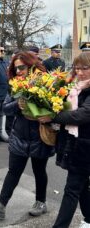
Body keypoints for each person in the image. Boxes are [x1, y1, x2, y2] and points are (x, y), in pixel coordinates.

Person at [0, 52, 55, 219]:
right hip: (19, 136)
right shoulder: (15, 84)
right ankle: (0, 205)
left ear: (30, 65)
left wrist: (45, 112)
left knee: (39, 171)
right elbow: (6, 108)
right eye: (16, 69)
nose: (19, 72)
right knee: (13, 171)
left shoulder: (45, 82)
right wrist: (18, 104)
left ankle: (41, 202)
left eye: (21, 67)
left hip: (39, 137)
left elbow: (54, 108)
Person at [38, 52, 90, 228]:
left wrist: (52, 116)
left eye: (85, 68)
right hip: (75, 144)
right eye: (77, 68)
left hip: (85, 148)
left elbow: (81, 116)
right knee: (81, 186)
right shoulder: (76, 87)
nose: (80, 72)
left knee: (72, 190)